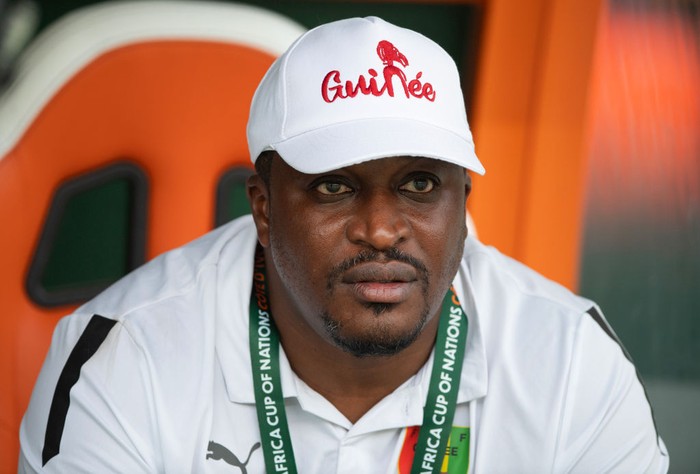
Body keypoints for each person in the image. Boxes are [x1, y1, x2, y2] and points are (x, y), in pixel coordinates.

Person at [19, 16, 668, 473]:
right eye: (334, 187)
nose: (382, 230)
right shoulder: (121, 359)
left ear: (464, 203)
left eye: (419, 183)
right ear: (264, 207)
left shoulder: (569, 364)